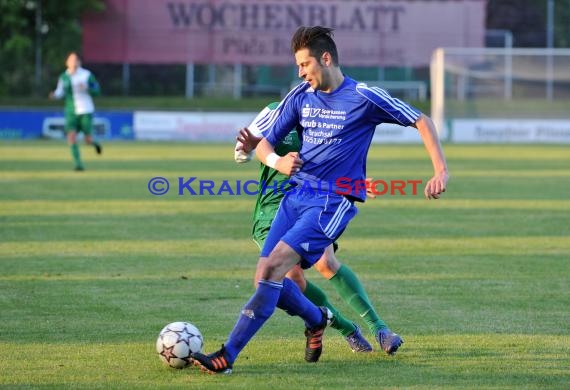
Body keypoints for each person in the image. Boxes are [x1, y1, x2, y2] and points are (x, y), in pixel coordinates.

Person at [191, 26, 448, 375]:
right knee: (266, 280)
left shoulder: (364, 96)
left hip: (331, 201)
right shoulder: (300, 96)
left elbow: (420, 119)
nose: (300, 72)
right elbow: (264, 141)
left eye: (304, 64)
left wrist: (440, 171)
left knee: (275, 269)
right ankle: (316, 319)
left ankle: (227, 356)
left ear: (325, 58)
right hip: (296, 196)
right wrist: (277, 162)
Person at [234, 102, 402, 354]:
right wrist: (254, 152)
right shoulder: (274, 112)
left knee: (326, 261)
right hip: (272, 208)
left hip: (314, 201)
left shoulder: (330, 118)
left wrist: (354, 182)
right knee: (293, 277)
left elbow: (337, 163)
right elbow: (242, 152)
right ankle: (346, 328)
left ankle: (380, 329)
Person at [49, 52, 102, 171]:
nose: (73, 62)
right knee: (71, 137)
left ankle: (95, 144)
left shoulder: (86, 75)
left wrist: (88, 87)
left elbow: (97, 90)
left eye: (75, 60)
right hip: (71, 111)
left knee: (88, 139)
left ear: (79, 62)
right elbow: (60, 92)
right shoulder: (64, 77)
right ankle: (78, 164)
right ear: (67, 62)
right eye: (70, 60)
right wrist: (54, 95)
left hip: (85, 110)